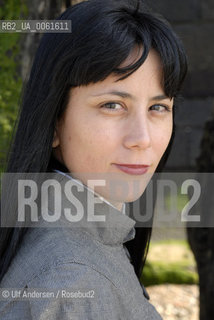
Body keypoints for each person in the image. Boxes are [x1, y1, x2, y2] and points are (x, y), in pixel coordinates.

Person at [0, 0, 187, 318]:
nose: (142, 138)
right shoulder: (73, 281)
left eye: (158, 107)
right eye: (112, 105)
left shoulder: (83, 243)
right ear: (54, 122)